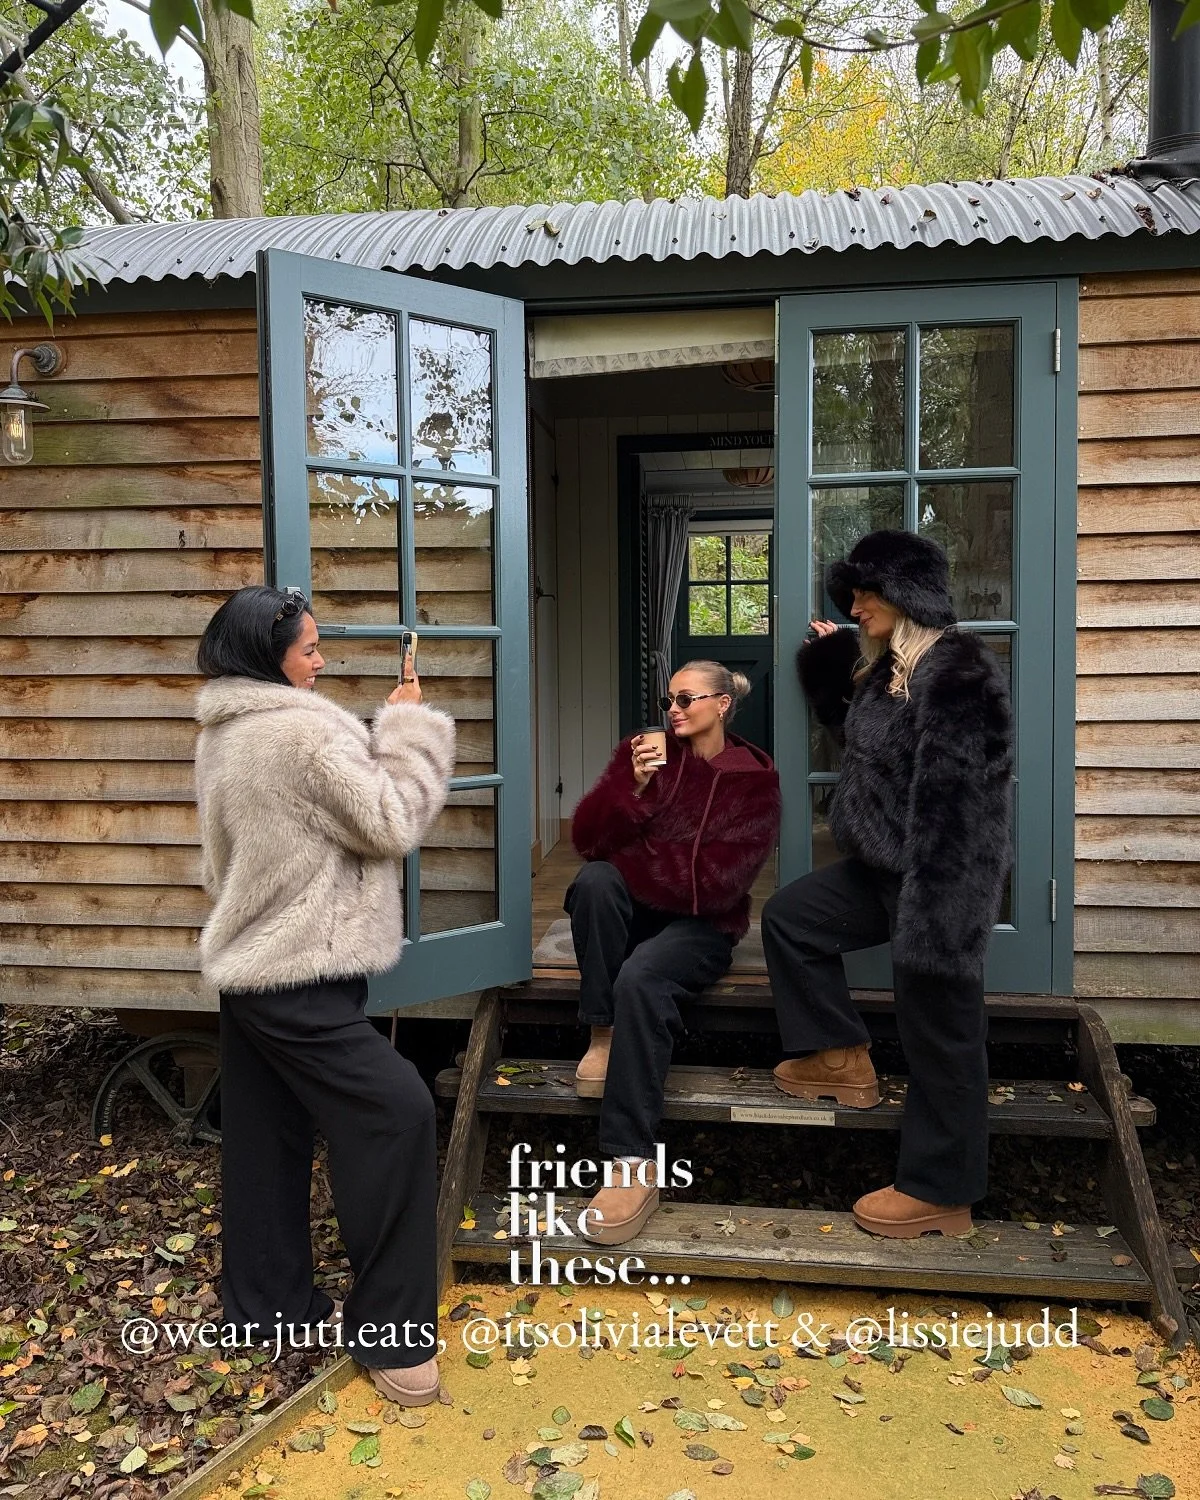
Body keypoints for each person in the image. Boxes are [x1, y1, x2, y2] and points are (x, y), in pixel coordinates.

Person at [193, 585, 456, 1405]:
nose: (321, 660)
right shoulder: (301, 733)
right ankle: (394, 1334)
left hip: (253, 968)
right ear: (269, 657)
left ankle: (268, 1310)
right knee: (399, 1110)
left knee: (267, 1146)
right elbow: (391, 819)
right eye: (310, 649)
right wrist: (406, 725)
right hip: (298, 972)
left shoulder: (224, 730)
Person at [761, 529, 1013, 1239]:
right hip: (878, 871)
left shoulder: (957, 673)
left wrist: (941, 916)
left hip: (933, 883)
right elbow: (859, 738)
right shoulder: (890, 670)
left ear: (908, 595)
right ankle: (841, 1055)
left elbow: (963, 807)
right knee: (790, 919)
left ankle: (942, 1191)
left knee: (943, 1034)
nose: (856, 603)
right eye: (854, 592)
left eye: (868, 592)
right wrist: (830, 659)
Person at [565, 661, 781, 1245]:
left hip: (703, 927)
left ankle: (630, 1164)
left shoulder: (754, 779)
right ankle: (602, 1033)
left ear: (722, 704)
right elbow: (588, 842)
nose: (673, 710)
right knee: (593, 885)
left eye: (687, 698)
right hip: (644, 909)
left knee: (641, 975)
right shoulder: (643, 756)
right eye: (669, 699)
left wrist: (641, 854)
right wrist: (629, 791)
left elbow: (717, 885)